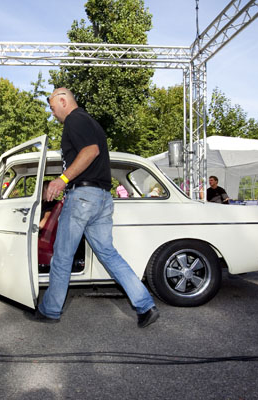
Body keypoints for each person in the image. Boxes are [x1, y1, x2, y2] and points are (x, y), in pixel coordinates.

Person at [28, 88, 158, 328]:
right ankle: (145, 305)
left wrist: (62, 180)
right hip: (102, 198)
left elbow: (90, 151)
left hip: (83, 196)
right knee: (108, 254)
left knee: (62, 256)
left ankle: (50, 310)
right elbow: (93, 153)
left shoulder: (75, 119)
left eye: (52, 105)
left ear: (63, 100)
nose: (52, 111)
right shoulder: (92, 123)